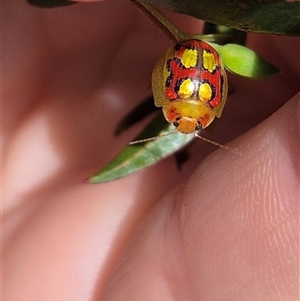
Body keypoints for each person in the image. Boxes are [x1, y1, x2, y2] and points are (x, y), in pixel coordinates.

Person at [3, 0, 299, 300]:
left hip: (203, 55)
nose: (184, 126)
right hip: (204, 54)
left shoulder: (201, 106)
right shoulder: (192, 105)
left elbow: (171, 82)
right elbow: (181, 85)